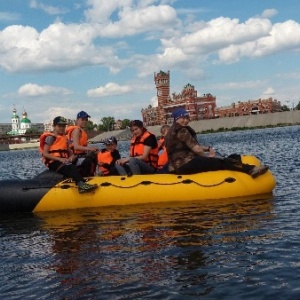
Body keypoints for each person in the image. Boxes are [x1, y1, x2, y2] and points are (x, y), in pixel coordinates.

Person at [164, 108, 269, 177]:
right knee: (220, 161)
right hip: (187, 164)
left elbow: (188, 146)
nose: (186, 121)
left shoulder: (170, 132)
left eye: (187, 118)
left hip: (176, 167)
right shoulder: (183, 130)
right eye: (183, 118)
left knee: (219, 159)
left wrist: (208, 148)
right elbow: (196, 149)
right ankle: (251, 170)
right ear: (177, 119)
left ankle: (237, 163)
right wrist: (207, 157)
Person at [39, 116, 98, 193]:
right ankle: (81, 185)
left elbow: (71, 153)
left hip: (64, 161)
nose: (62, 128)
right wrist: (60, 159)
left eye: (63, 126)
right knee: (71, 167)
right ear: (54, 126)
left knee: (86, 161)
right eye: (59, 126)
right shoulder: (50, 138)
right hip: (54, 162)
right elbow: (45, 154)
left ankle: (82, 180)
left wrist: (72, 157)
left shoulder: (65, 138)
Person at [66, 111, 98, 176]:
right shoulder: (76, 130)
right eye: (82, 119)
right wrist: (90, 148)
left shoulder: (81, 130)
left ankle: (94, 174)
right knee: (88, 161)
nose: (85, 121)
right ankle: (86, 177)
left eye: (86, 120)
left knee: (96, 154)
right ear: (77, 120)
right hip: (75, 157)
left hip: (81, 155)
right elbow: (76, 147)